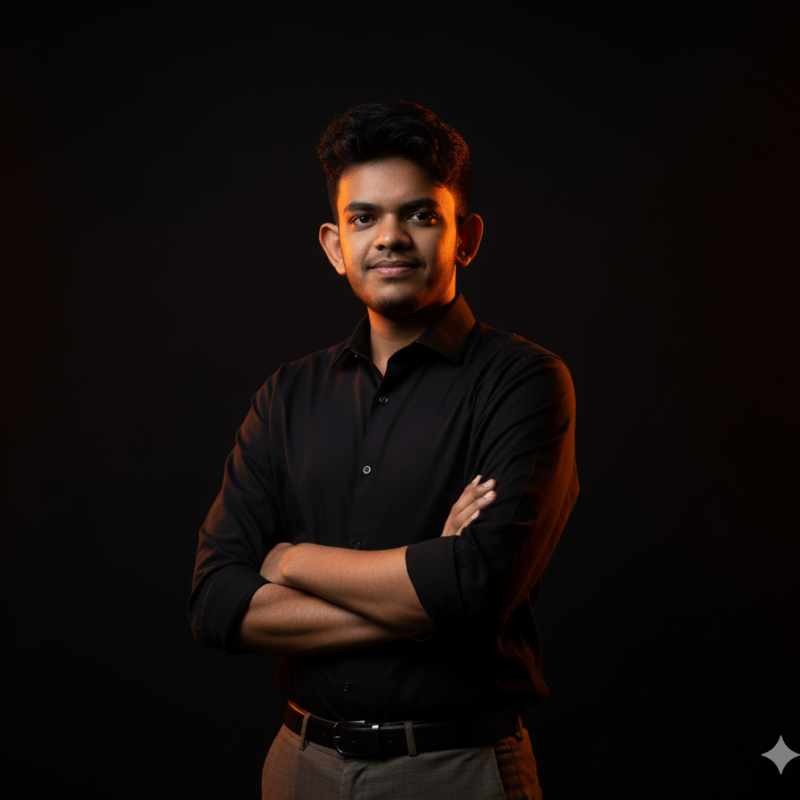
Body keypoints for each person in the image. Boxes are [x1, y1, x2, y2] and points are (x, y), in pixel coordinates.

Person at [189, 100, 579, 799]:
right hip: (298, 764)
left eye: (421, 215)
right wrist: (423, 595)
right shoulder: (286, 395)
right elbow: (217, 602)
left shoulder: (524, 383)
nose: (390, 237)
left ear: (466, 236)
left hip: (454, 769)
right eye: (364, 217)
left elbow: (478, 586)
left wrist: (289, 561)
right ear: (335, 246)